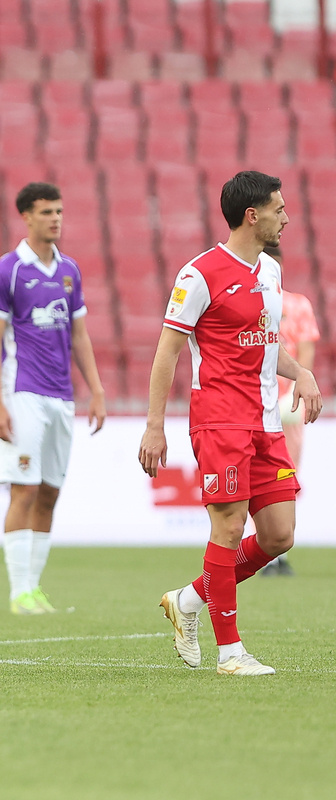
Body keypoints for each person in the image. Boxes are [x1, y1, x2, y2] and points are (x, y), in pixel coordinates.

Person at [141, 171, 322, 676]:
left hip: (266, 421)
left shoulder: (270, 271)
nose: (286, 217)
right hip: (220, 419)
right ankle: (230, 654)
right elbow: (167, 351)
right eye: (278, 209)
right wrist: (155, 425)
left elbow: (266, 344)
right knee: (228, 527)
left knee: (279, 536)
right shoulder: (199, 275)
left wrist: (302, 372)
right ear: (252, 215)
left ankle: (187, 600)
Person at [0, 182, 106, 615]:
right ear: (26, 217)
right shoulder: (8, 271)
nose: (55, 219)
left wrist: (96, 390)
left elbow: (79, 335)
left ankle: (34, 589)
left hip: (61, 395)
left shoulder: (69, 270)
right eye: (46, 212)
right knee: (24, 489)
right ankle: (19, 592)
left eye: (59, 211)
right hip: (22, 392)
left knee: (50, 492)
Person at [259, 245, 319, 576]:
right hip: (256, 404)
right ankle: (267, 554)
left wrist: (299, 387)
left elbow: (305, 352)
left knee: (286, 476)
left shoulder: (298, 305)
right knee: (258, 479)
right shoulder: (250, 303)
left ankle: (277, 554)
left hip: (288, 407)